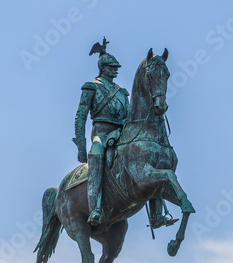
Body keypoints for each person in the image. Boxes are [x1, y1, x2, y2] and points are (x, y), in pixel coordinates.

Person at [74, 38, 175, 228]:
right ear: (103, 68)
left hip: (122, 132)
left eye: (116, 67)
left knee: (147, 159)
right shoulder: (92, 87)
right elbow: (81, 116)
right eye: (112, 67)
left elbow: (130, 116)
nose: (116, 70)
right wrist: (81, 145)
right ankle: (95, 207)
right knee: (96, 155)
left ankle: (157, 215)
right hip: (101, 133)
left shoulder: (122, 92)